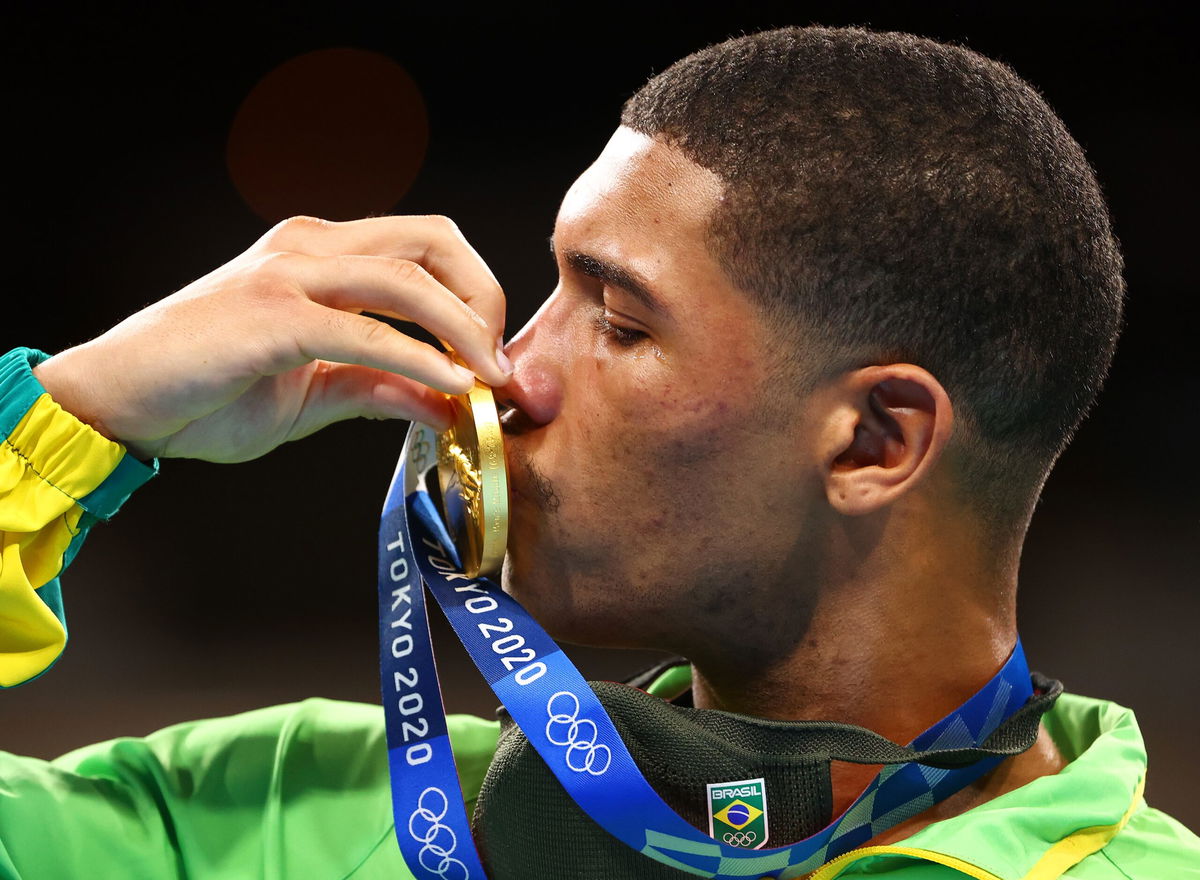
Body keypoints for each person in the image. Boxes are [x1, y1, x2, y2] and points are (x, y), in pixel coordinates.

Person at [1, 23, 1196, 880]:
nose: (509, 372)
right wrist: (75, 415)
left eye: (619, 322)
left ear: (876, 439)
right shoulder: (288, 817)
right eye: (550, 294)